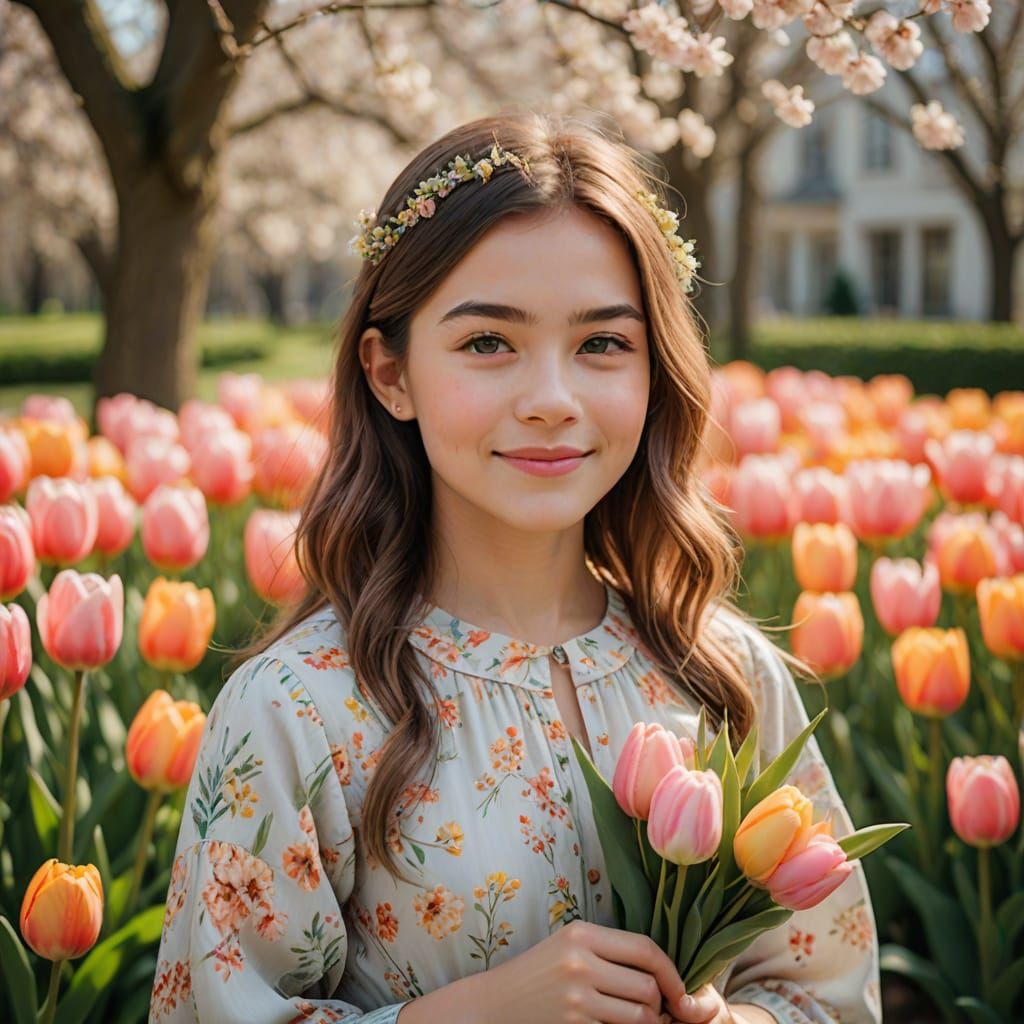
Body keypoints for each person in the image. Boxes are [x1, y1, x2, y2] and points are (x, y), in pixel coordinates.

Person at [148, 109, 881, 1024]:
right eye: (488, 342)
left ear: (655, 371)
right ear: (391, 373)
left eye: (603, 344)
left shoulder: (725, 677)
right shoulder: (298, 712)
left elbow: (828, 990)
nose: (550, 400)